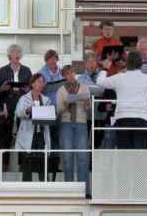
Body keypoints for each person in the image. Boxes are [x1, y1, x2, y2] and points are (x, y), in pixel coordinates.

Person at [96, 50, 147, 149]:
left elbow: (100, 81)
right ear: (141, 64)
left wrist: (105, 68)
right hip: (141, 119)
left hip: (122, 118)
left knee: (124, 152)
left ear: (127, 63)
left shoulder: (119, 78)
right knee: (138, 154)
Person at [0, 44, 32, 171]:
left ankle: (23, 163)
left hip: (22, 101)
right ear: (9, 55)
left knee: (23, 131)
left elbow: (31, 88)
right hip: (7, 101)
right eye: (15, 52)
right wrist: (2, 88)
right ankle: (4, 163)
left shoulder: (26, 70)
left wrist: (28, 89)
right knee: (6, 133)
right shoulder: (2, 70)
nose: (17, 54)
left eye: (19, 52)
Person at [56, 65, 91, 196]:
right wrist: (65, 105)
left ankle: (84, 191)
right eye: (67, 74)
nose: (71, 76)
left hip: (81, 123)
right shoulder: (60, 90)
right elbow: (58, 110)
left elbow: (88, 109)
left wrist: (87, 103)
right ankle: (69, 191)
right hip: (66, 123)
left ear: (74, 73)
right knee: (67, 158)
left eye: (72, 73)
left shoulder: (84, 87)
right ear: (64, 76)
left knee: (82, 158)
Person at [15, 73, 51, 182]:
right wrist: (27, 110)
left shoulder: (46, 99)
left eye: (42, 81)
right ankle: (26, 189)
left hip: (41, 134)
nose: (41, 84)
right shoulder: (24, 98)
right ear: (33, 83)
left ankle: (45, 189)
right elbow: (17, 113)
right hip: (28, 133)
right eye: (39, 81)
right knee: (27, 162)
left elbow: (49, 115)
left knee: (42, 162)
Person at [37, 49, 63, 153]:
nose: (52, 61)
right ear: (46, 60)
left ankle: (55, 163)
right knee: (47, 135)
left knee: (56, 135)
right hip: (47, 107)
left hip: (59, 107)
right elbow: (36, 87)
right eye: (50, 59)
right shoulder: (41, 72)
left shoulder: (61, 71)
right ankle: (46, 162)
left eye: (54, 59)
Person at [77, 51, 104, 150]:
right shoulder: (80, 79)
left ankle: (95, 164)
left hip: (99, 111)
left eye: (93, 61)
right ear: (85, 63)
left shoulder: (103, 75)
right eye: (89, 61)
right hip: (86, 112)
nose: (91, 63)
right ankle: (86, 165)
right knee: (84, 141)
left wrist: (103, 94)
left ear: (97, 62)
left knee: (97, 142)